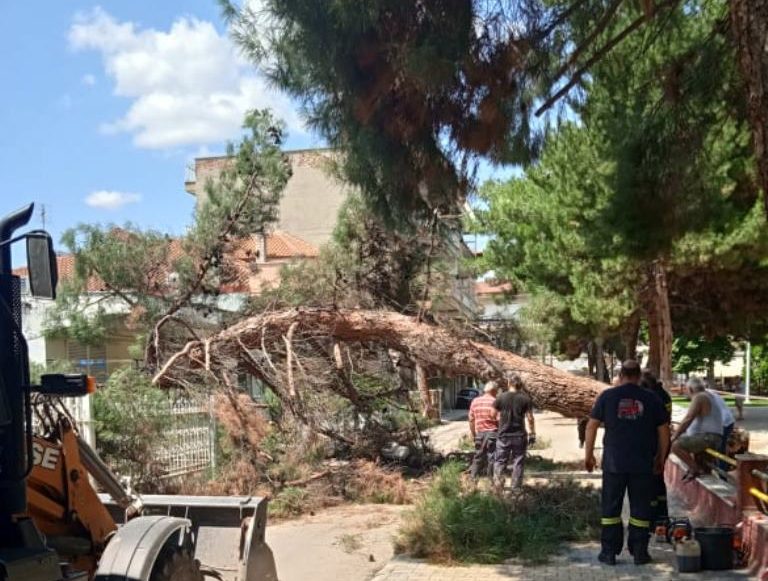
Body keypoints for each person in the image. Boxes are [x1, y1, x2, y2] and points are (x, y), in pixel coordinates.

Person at [585, 360, 670, 566]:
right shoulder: (651, 398)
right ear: (639, 376)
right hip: (643, 464)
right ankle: (639, 552)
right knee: (641, 509)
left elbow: (591, 426)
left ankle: (609, 553)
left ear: (621, 375)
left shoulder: (607, 396)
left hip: (614, 463)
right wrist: (661, 456)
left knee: (610, 508)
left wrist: (588, 455)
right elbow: (664, 431)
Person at [671, 378, 723, 480]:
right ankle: (700, 469)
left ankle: (694, 469)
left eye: (686, 389)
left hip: (708, 437)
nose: (685, 392)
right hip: (713, 436)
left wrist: (674, 436)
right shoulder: (708, 395)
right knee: (704, 464)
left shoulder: (699, 397)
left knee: (675, 446)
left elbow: (688, 418)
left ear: (690, 389)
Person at [493, 373, 535, 490]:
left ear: (508, 383)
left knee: (500, 461)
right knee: (518, 461)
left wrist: (500, 422)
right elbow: (530, 418)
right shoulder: (526, 399)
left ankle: (498, 486)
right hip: (519, 435)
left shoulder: (501, 397)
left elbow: (492, 414)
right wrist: (532, 433)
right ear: (520, 385)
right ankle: (515, 487)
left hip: (503, 435)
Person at [640, 370, 671, 525]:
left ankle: (653, 519)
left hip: (654, 443)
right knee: (658, 481)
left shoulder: (653, 398)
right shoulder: (664, 395)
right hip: (663, 442)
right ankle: (662, 516)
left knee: (650, 482)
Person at [468, 381, 499, 480]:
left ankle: (473, 479)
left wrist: (474, 434)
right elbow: (499, 420)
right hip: (493, 433)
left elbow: (471, 419)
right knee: (492, 458)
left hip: (480, 434)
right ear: (493, 391)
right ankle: (491, 482)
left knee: (478, 457)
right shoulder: (495, 402)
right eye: (497, 391)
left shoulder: (475, 401)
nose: (497, 393)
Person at [706, 385, 735, 472]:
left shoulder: (702, 397)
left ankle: (722, 472)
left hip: (723, 423)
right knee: (720, 446)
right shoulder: (710, 393)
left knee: (719, 449)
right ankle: (720, 468)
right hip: (728, 421)